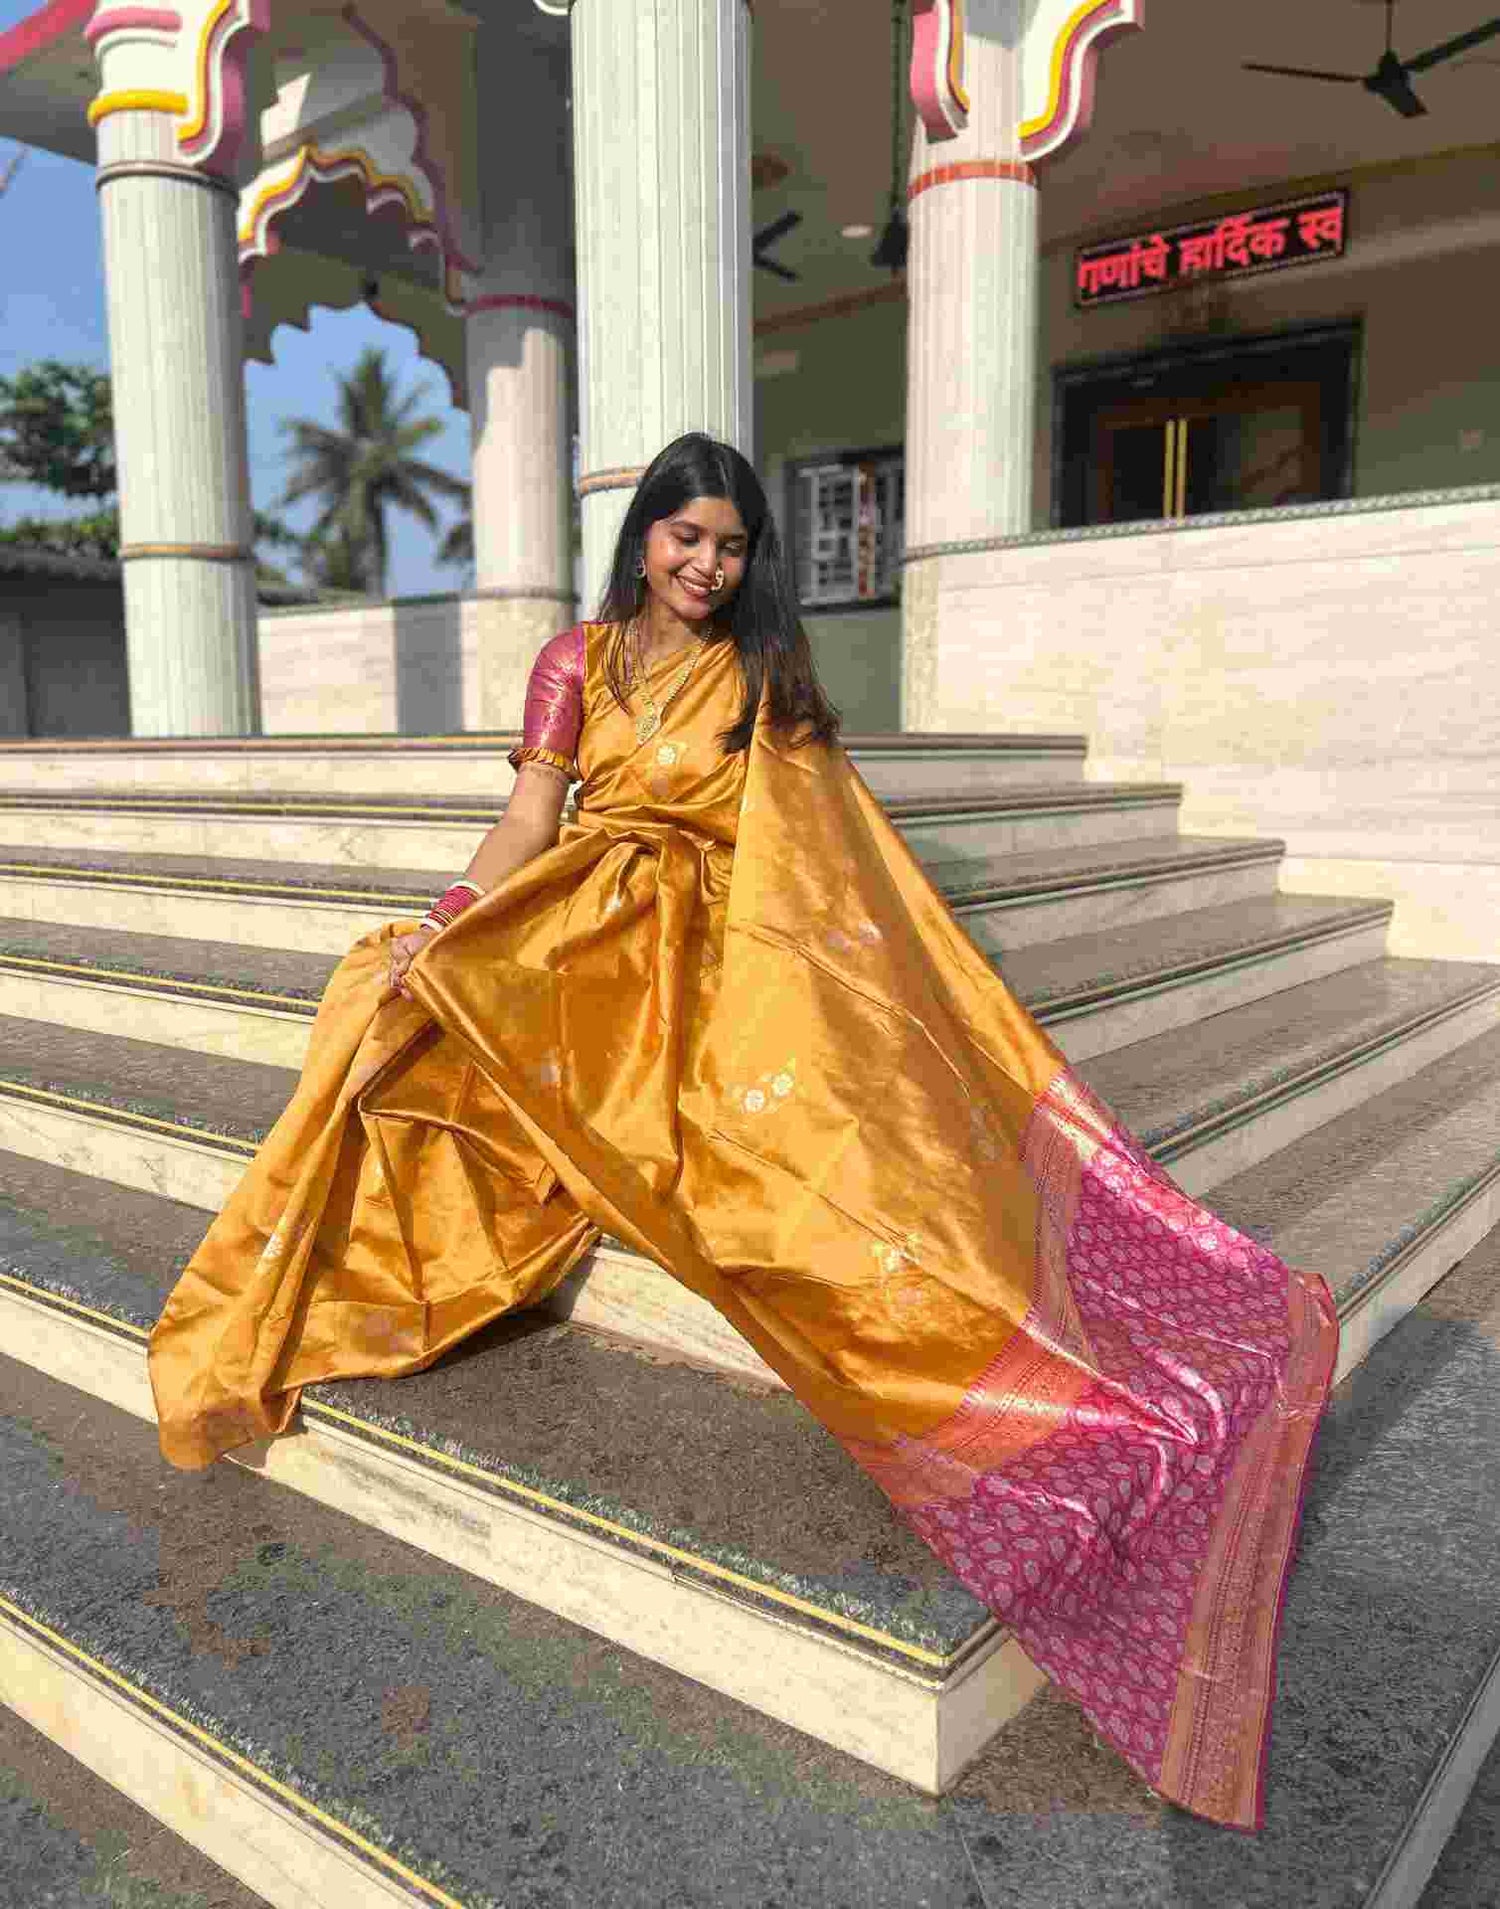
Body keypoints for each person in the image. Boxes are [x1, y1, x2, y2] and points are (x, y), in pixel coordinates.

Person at [148, 432, 1337, 1831]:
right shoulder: (574, 662)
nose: (706, 565)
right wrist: (450, 918)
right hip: (589, 918)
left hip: (736, 938)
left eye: (730, 544)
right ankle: (347, 1268)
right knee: (387, 997)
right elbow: (530, 815)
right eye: (686, 537)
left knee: (766, 1167)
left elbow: (829, 854)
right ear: (642, 536)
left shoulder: (766, 674)